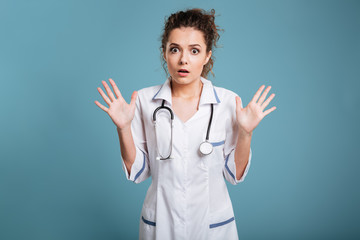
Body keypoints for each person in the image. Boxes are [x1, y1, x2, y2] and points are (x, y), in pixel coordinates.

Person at [95, 8, 276, 240]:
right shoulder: (142, 101)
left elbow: (234, 174)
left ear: (207, 56)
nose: (183, 59)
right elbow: (139, 171)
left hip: (214, 227)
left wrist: (246, 132)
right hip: (161, 223)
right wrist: (122, 128)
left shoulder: (229, 103)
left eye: (194, 51)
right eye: (175, 49)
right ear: (164, 53)